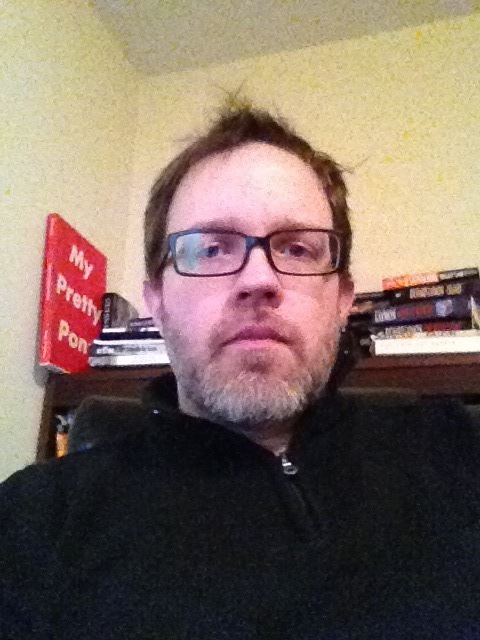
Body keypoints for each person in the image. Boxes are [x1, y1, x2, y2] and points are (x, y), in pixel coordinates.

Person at [1, 101, 479, 639]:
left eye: (297, 248)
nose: (258, 280)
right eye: (211, 249)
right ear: (157, 301)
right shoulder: (33, 524)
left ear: (343, 299)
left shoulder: (460, 453)